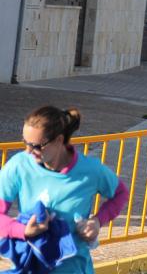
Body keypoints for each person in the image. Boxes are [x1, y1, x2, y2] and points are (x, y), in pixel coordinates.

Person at [0, 106, 129, 273]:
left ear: (59, 140)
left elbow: (120, 193)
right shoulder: (19, 165)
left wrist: (97, 221)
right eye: (26, 143)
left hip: (75, 268)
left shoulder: (90, 170)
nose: (29, 151)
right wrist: (23, 230)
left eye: (37, 146)